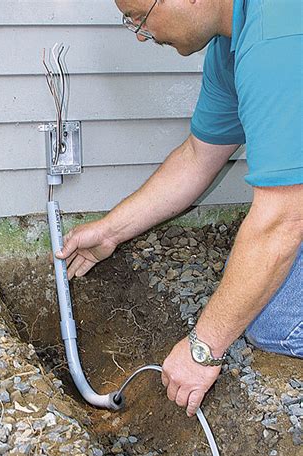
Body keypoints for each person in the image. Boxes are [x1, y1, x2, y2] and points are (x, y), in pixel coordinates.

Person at [56, 0, 302, 418]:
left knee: (275, 324)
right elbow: (197, 155)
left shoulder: (277, 41)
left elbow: (282, 219)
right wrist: (112, 230)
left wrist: (203, 349)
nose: (138, 32)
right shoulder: (231, 44)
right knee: (248, 288)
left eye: (139, 14)